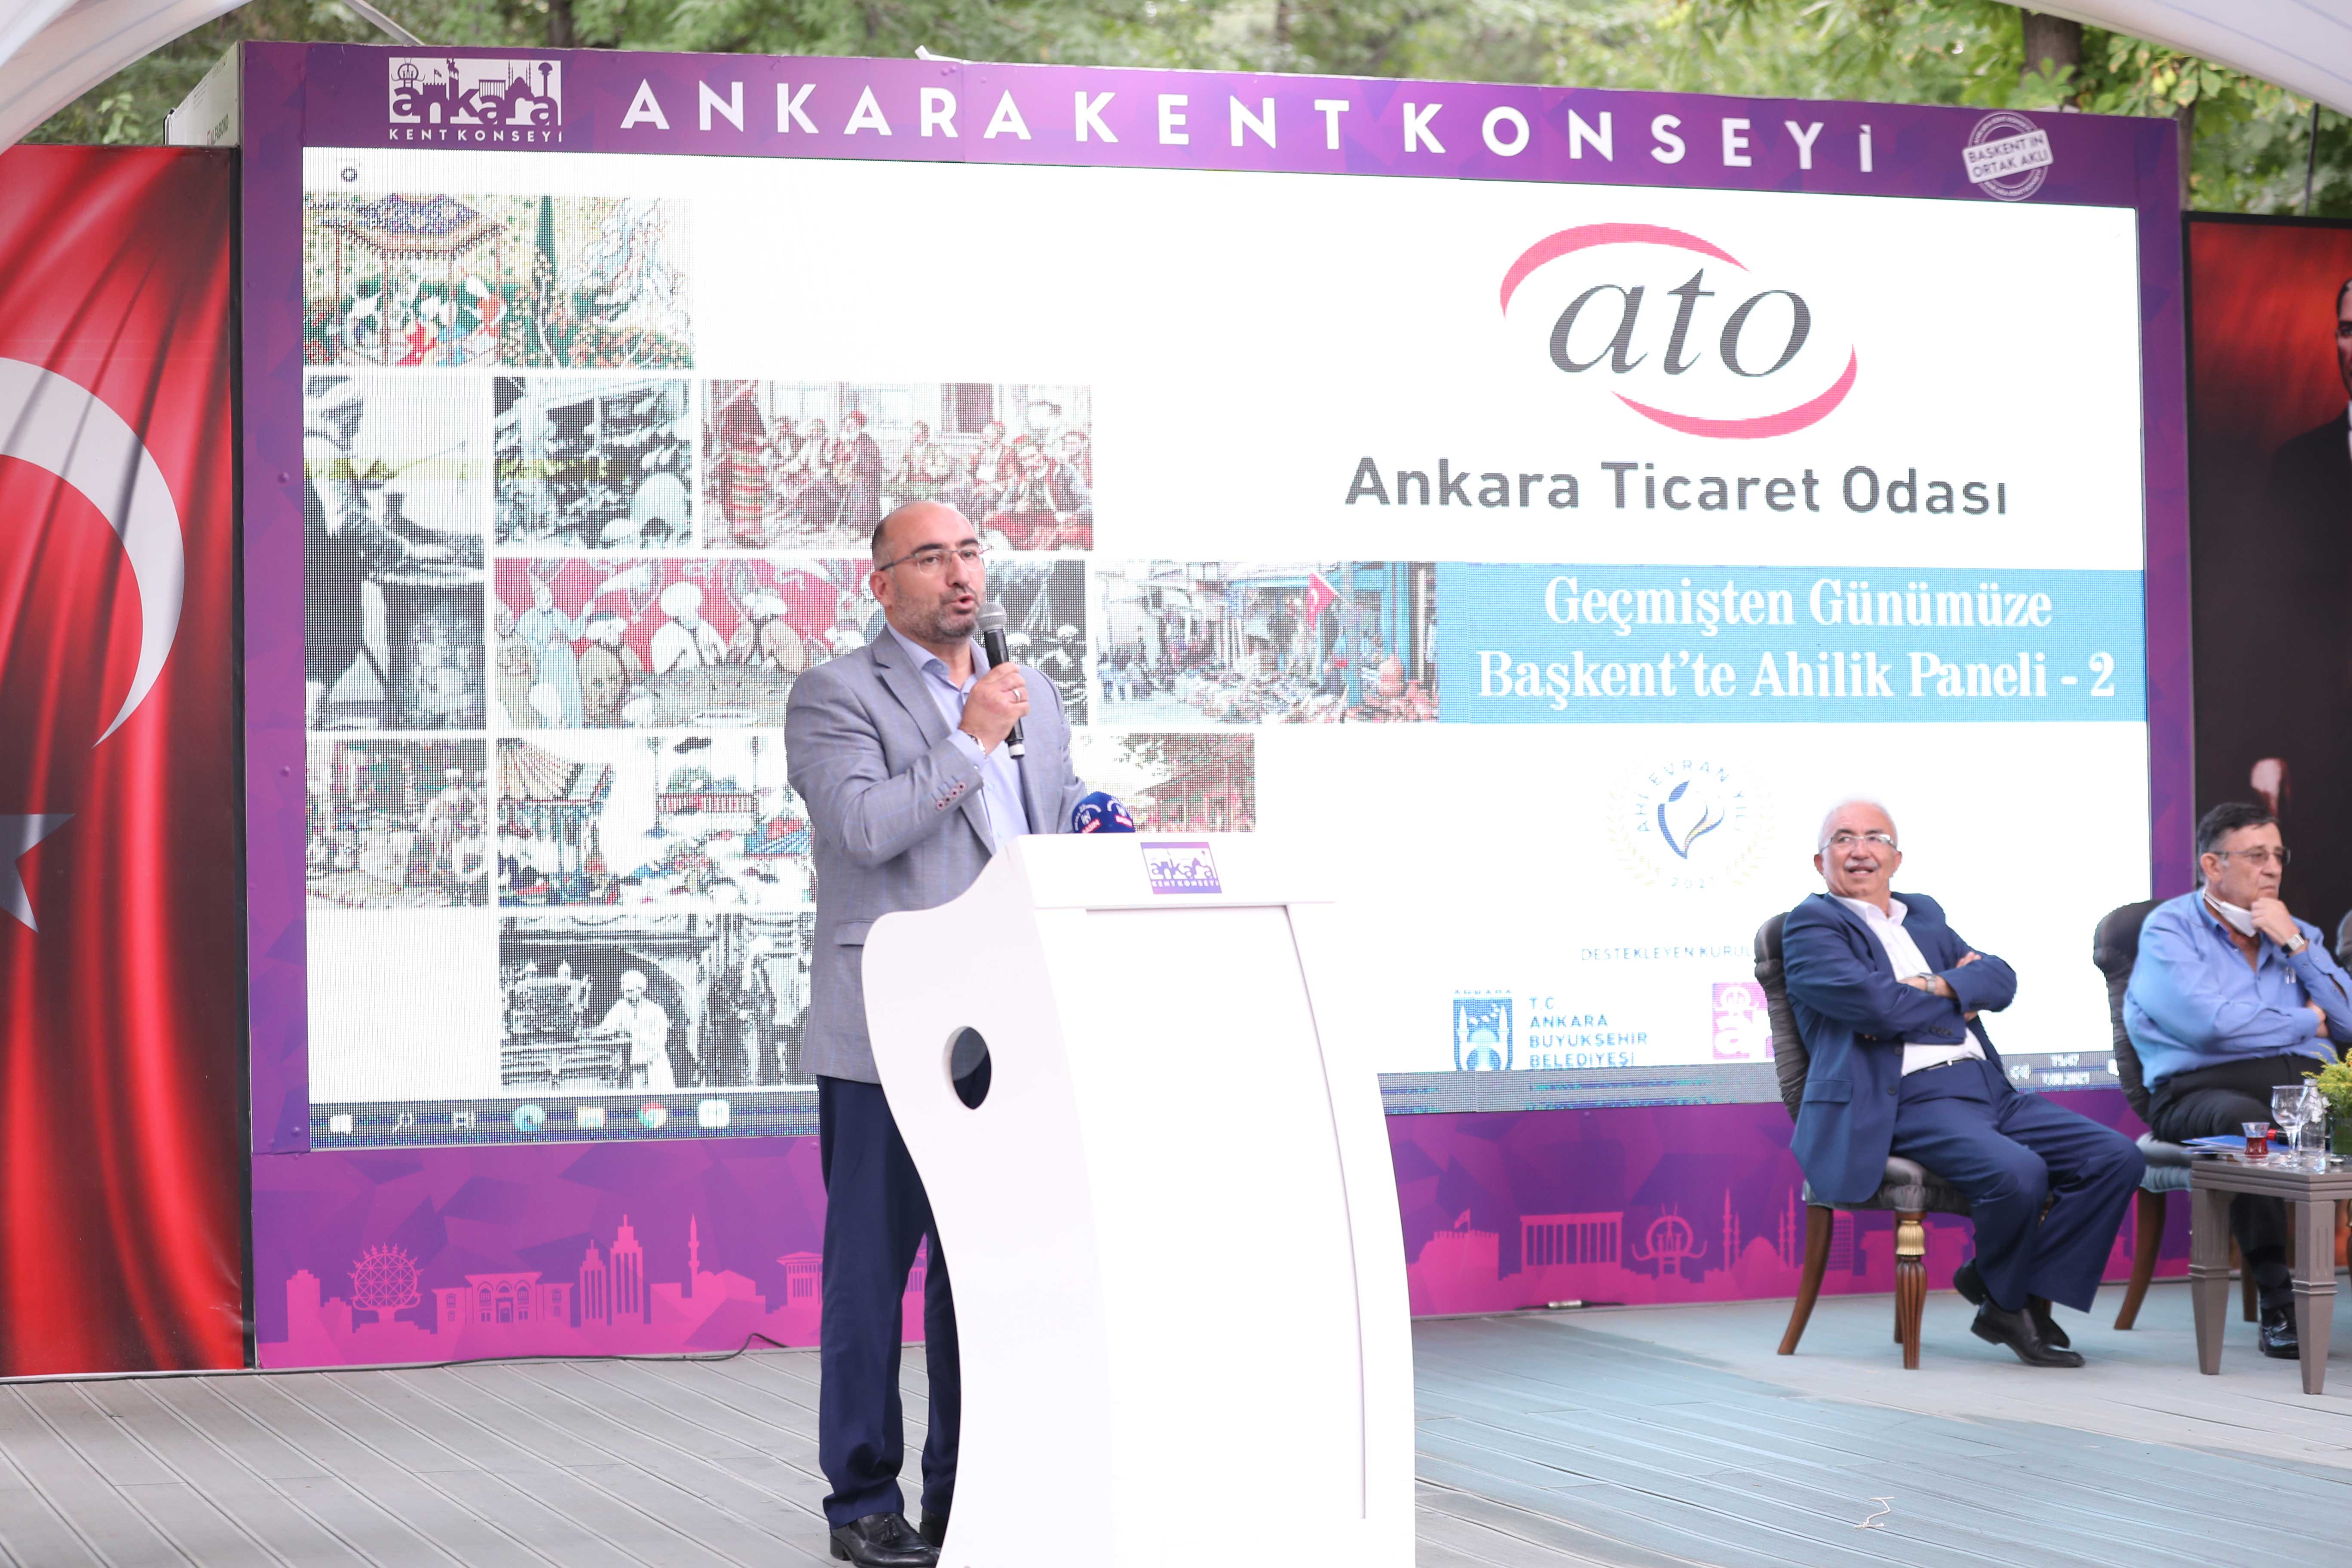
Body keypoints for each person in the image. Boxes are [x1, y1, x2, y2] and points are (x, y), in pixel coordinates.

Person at [785, 499, 1088, 1566]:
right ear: (881, 586)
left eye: (968, 552)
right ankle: (862, 1505)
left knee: (984, 1277)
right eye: (929, 558)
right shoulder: (835, 694)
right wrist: (972, 737)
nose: (959, 574)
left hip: (1009, 1034)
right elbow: (866, 828)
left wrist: (1096, 819)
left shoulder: (1029, 689)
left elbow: (1042, 815)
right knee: (870, 1283)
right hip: (889, 1034)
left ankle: (968, 1494)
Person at [1782, 799, 2144, 1367]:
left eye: (1875, 838)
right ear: (1819, 861)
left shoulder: (1924, 914)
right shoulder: (1811, 926)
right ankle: (2010, 1303)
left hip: (1990, 1089)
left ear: (1897, 858)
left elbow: (2000, 980)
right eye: (1843, 839)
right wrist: (1957, 994)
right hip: (1908, 1097)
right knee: (2018, 1172)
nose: (1860, 850)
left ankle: (2003, 1288)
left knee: (2116, 1157)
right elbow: (1876, 1008)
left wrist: (1930, 987)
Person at [2125, 801, 2352, 1358]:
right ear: (2213, 864)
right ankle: (2278, 1302)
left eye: (2278, 855)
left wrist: (2296, 947)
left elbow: (2348, 1018)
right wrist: (2308, 1021)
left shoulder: (2298, 933)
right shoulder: (2170, 930)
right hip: (2196, 1091)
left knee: (2317, 1112)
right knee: (2250, 1127)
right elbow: (2211, 1026)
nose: (2272, 868)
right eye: (2256, 856)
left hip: (2300, 1087)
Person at [593, 970, 674, 1092]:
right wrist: (605, 1032)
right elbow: (605, 1028)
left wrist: (633, 1032)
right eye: (625, 992)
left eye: (631, 991)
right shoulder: (621, 1007)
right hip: (630, 1068)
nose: (627, 996)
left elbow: (659, 1042)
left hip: (653, 1066)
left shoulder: (655, 1011)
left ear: (641, 990)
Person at [650, 581, 727, 674]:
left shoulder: (706, 628)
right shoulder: (665, 633)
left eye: (690, 606)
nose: (689, 611)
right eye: (683, 608)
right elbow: (661, 670)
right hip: (680, 680)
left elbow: (723, 653)